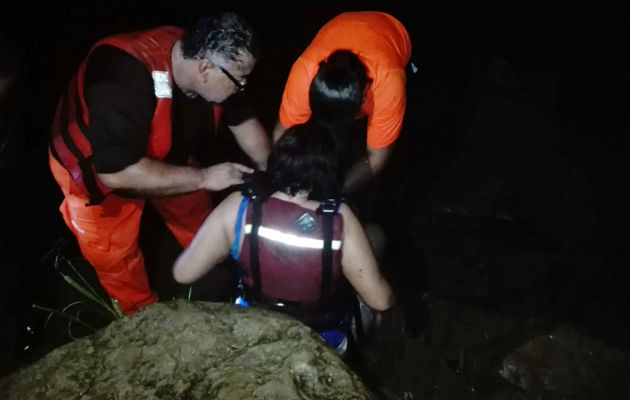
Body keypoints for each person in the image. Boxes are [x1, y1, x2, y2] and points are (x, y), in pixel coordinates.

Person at [49, 13, 270, 315]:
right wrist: (205, 177)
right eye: (240, 80)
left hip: (166, 153)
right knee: (115, 257)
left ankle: (218, 265)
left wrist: (275, 174)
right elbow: (117, 172)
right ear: (205, 69)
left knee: (195, 212)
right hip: (99, 176)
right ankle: (142, 316)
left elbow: (245, 123)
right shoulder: (121, 73)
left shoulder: (212, 65)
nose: (242, 86)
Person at [173, 121, 396, 354]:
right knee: (377, 238)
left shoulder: (240, 205)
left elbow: (183, 273)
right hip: (319, 341)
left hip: (253, 327)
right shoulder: (340, 218)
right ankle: (373, 354)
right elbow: (381, 300)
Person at [273, 11, 412, 194]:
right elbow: (282, 133)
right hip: (339, 25)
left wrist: (332, 194)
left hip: (394, 31)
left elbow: (376, 158)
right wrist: (280, 180)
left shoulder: (388, 84)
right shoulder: (304, 73)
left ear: (363, 97)